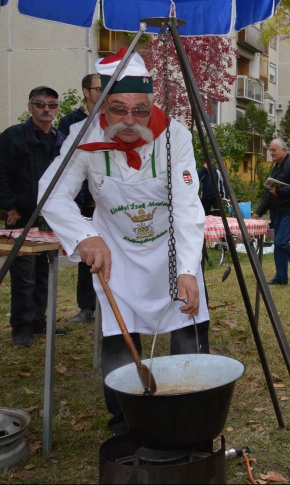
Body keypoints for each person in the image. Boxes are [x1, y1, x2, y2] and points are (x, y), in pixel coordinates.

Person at [38, 48, 209, 436]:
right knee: (118, 340)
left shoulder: (175, 136)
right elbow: (50, 190)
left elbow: (187, 206)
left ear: (152, 106)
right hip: (117, 256)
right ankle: (125, 424)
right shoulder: (85, 136)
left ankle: (190, 412)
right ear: (101, 104)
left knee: (188, 331)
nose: (129, 121)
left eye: (140, 110)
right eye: (118, 109)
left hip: (170, 250)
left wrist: (186, 269)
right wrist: (85, 235)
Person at [0, 86, 68, 347]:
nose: (46, 110)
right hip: (22, 216)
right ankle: (22, 328)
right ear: (30, 107)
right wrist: (10, 206)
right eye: (40, 105)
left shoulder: (61, 139)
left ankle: (40, 322)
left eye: (51, 105)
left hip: (50, 216)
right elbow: (2, 174)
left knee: (45, 272)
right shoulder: (14, 137)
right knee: (24, 275)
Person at [59, 74, 102, 324]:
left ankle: (112, 302)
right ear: (86, 92)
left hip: (108, 201)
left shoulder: (111, 119)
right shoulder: (71, 122)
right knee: (89, 255)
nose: (102, 93)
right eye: (98, 89)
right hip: (85, 200)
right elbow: (67, 163)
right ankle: (87, 306)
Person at [252, 139, 290, 286]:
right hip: (280, 211)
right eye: (270, 150)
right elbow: (270, 192)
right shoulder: (277, 167)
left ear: (284, 150)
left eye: (274, 150)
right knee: (278, 244)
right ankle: (281, 278)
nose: (271, 152)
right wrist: (259, 212)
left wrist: (280, 191)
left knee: (281, 241)